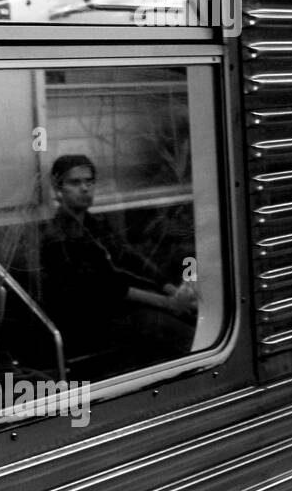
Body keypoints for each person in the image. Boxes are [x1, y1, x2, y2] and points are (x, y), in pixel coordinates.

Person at [39, 154, 197, 377]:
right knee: (181, 335)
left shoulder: (95, 225)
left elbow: (131, 259)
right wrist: (168, 303)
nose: (84, 188)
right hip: (88, 324)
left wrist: (170, 288)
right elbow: (107, 287)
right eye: (75, 183)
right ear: (58, 189)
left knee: (191, 314)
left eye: (89, 182)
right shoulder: (58, 237)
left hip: (116, 312)